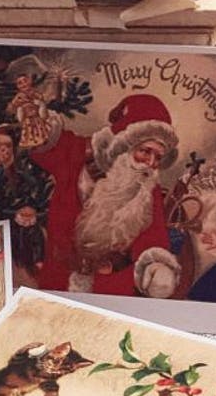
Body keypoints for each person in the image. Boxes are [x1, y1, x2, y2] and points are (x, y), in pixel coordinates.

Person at [33, 93, 182, 297]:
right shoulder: (78, 154)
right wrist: (37, 120)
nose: (150, 163)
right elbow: (44, 148)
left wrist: (155, 267)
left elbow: (153, 236)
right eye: (145, 151)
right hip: (60, 282)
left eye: (158, 157)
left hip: (113, 291)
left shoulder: (147, 187)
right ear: (124, 147)